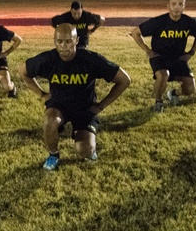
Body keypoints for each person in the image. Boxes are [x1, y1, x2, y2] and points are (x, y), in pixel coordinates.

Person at [19, 24, 131, 170]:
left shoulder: (91, 60)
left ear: (77, 40)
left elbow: (124, 80)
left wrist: (101, 106)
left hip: (85, 108)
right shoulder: (47, 59)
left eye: (68, 41)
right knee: (49, 121)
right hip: (59, 105)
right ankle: (53, 154)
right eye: (59, 42)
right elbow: (23, 72)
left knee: (85, 151)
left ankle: (84, 138)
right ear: (54, 41)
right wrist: (42, 94)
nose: (64, 46)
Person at [129, 0, 196, 112]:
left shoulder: (190, 22)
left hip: (178, 57)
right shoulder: (158, 21)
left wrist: (191, 52)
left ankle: (174, 93)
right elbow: (135, 33)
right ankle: (158, 102)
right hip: (159, 57)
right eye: (173, 4)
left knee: (190, 89)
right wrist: (148, 51)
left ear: (184, 6)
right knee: (163, 75)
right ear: (168, 6)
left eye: (180, 4)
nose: (176, 7)